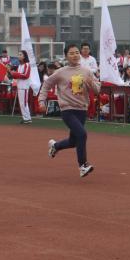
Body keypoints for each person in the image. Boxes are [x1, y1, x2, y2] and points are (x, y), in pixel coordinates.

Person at [38, 44, 101, 177]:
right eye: (71, 53)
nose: (75, 55)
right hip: (67, 109)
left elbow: (97, 89)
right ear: (66, 56)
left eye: (77, 53)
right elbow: (47, 84)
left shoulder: (86, 71)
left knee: (74, 141)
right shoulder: (61, 72)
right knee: (82, 134)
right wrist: (41, 100)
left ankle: (55, 146)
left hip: (81, 109)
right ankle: (83, 165)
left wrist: (91, 83)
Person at [11, 50, 33, 124]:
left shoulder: (27, 64)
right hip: (20, 86)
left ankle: (27, 118)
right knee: (22, 104)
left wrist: (15, 74)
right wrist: (12, 73)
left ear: (24, 56)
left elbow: (26, 75)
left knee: (24, 103)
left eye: (20, 55)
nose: (19, 56)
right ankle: (26, 118)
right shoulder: (20, 65)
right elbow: (17, 76)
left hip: (24, 86)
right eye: (19, 54)